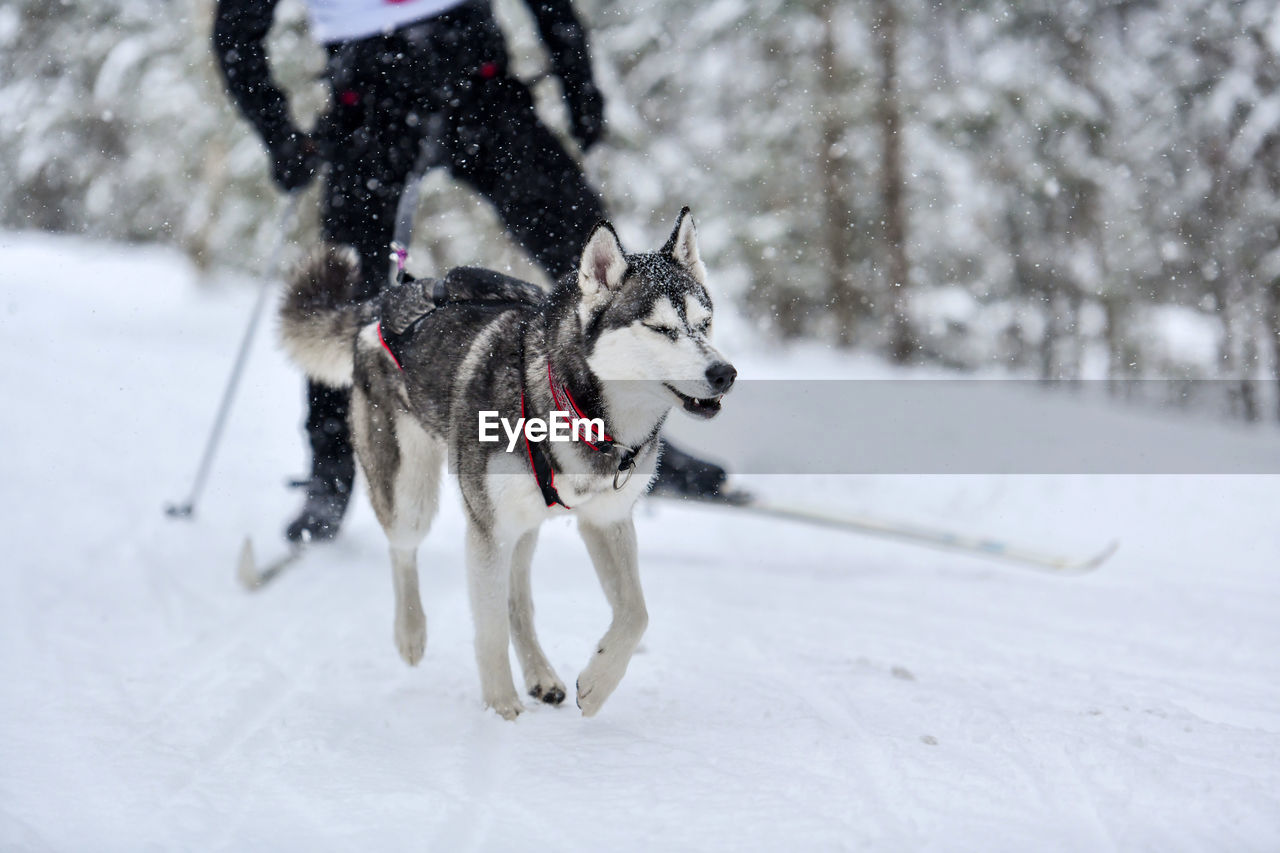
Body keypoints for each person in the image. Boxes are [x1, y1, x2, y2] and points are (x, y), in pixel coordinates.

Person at [212, 0, 730, 544]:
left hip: (477, 83)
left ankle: (628, 433)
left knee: (596, 267)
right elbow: (237, 30)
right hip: (368, 99)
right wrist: (277, 133)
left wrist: (580, 83)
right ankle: (331, 469)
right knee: (352, 294)